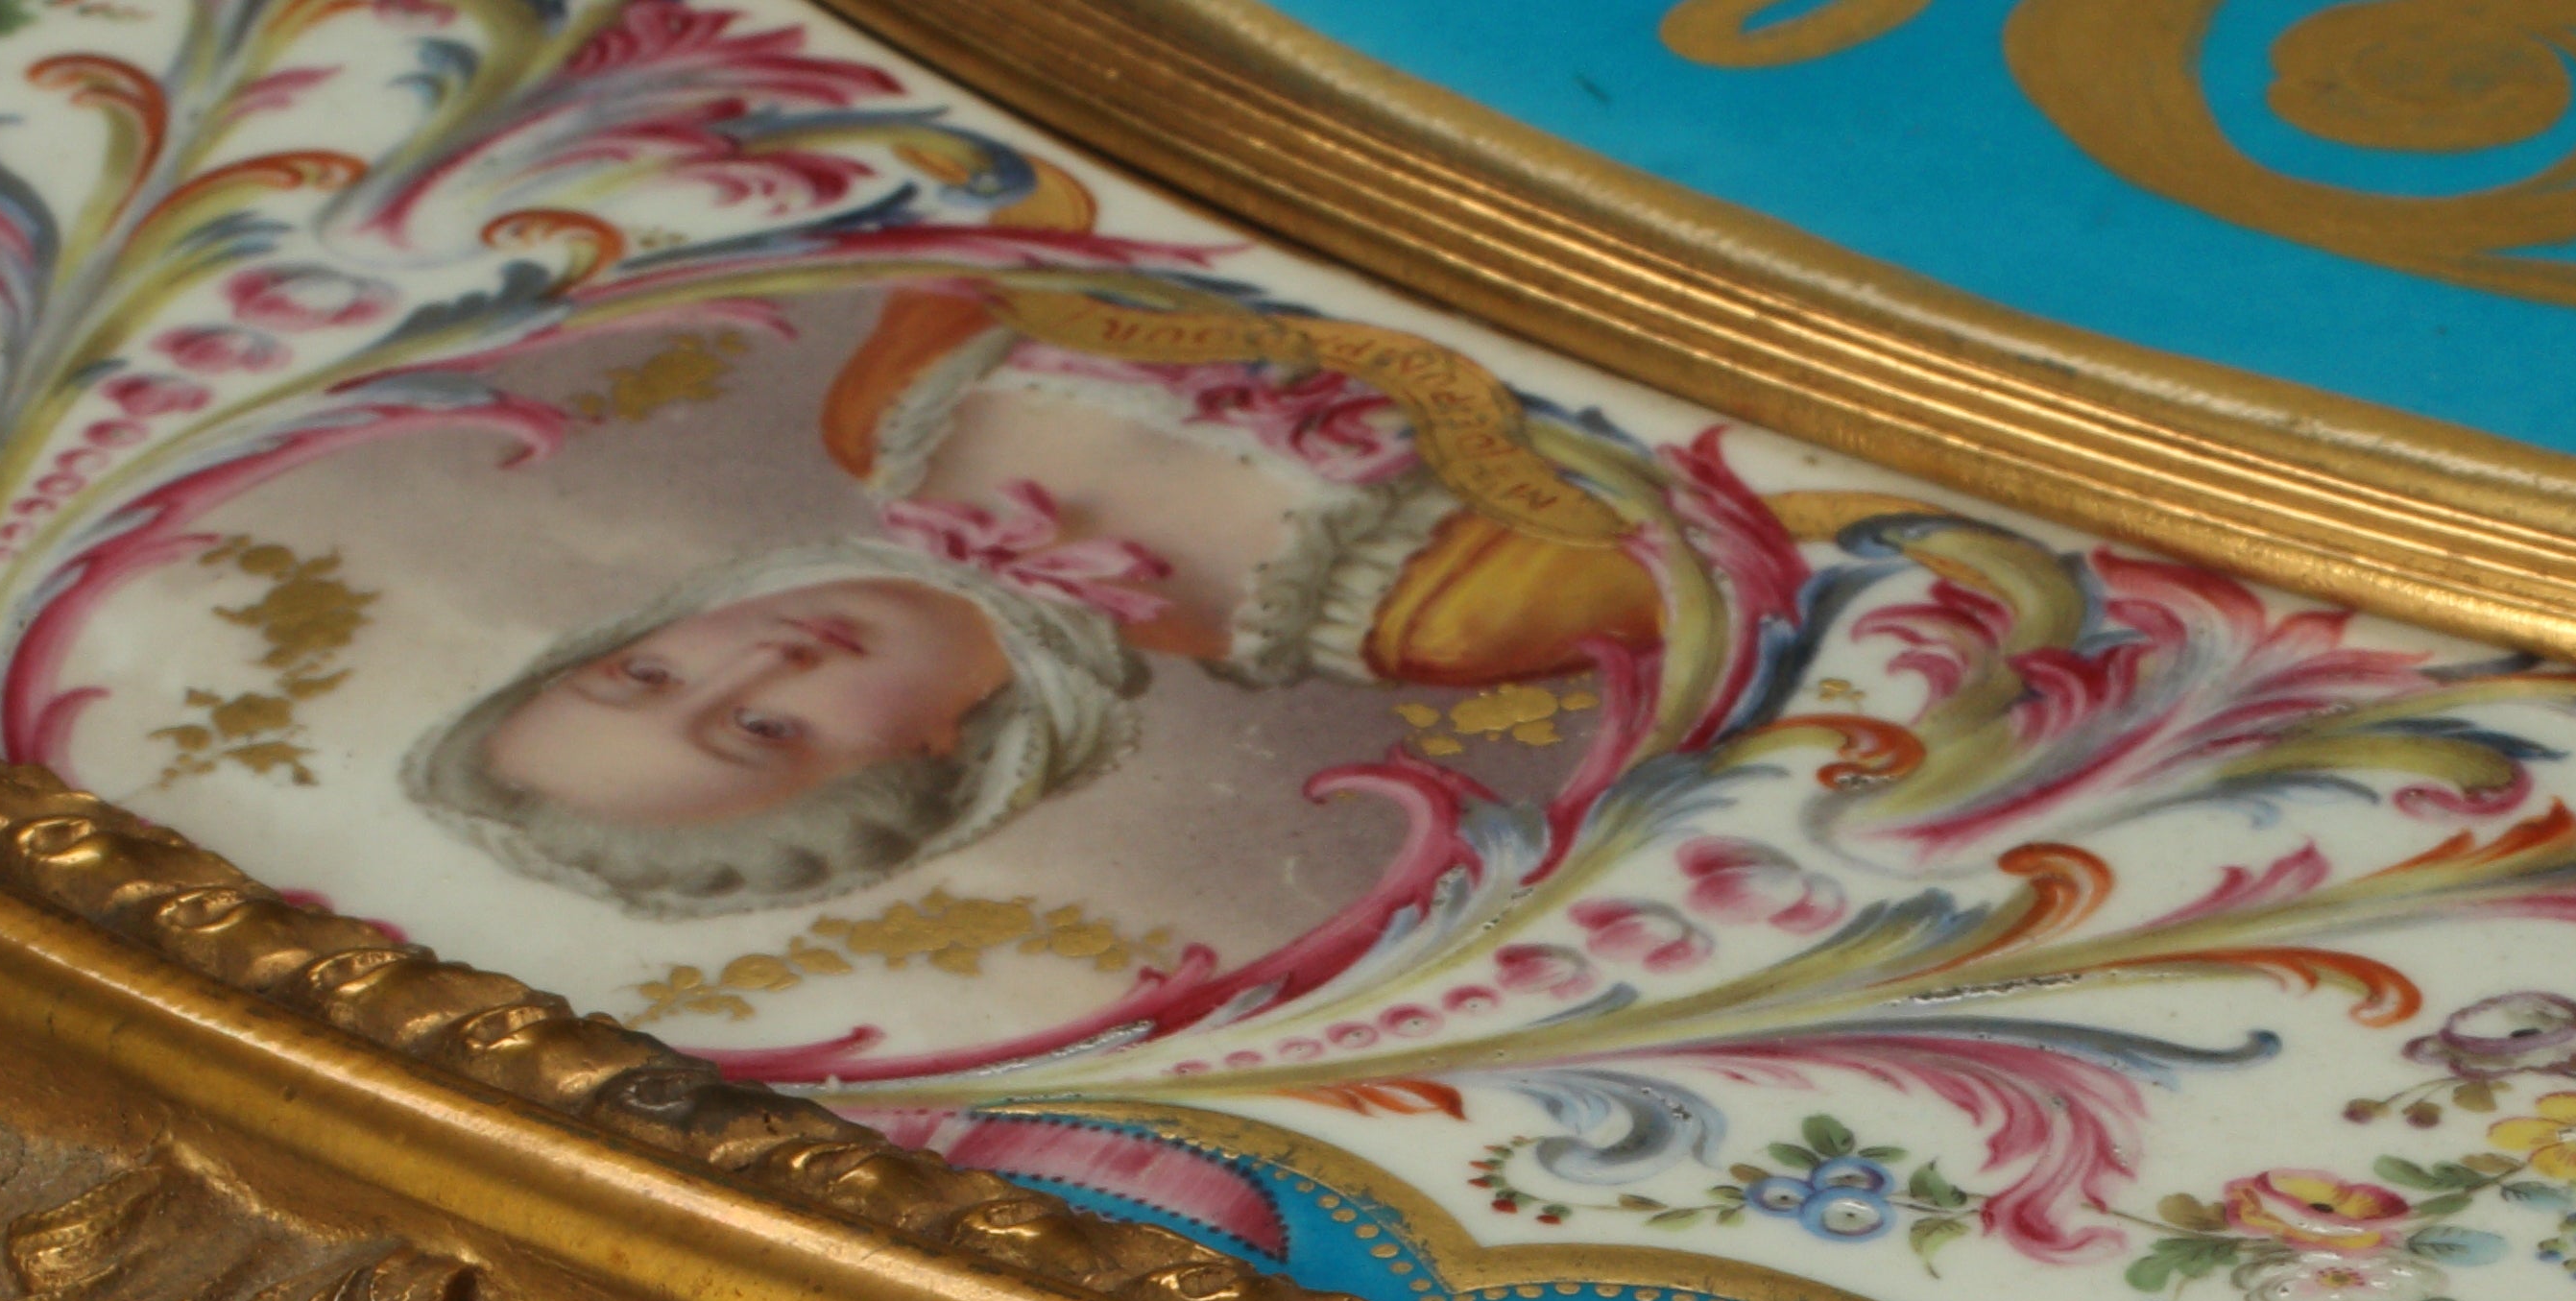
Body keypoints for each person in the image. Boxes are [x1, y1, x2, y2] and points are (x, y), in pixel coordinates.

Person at [406, 227, 1667, 920]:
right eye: (759, 727)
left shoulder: (888, 411)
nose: (760, 653)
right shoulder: (1438, 616)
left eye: (646, 670)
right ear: (934, 760)